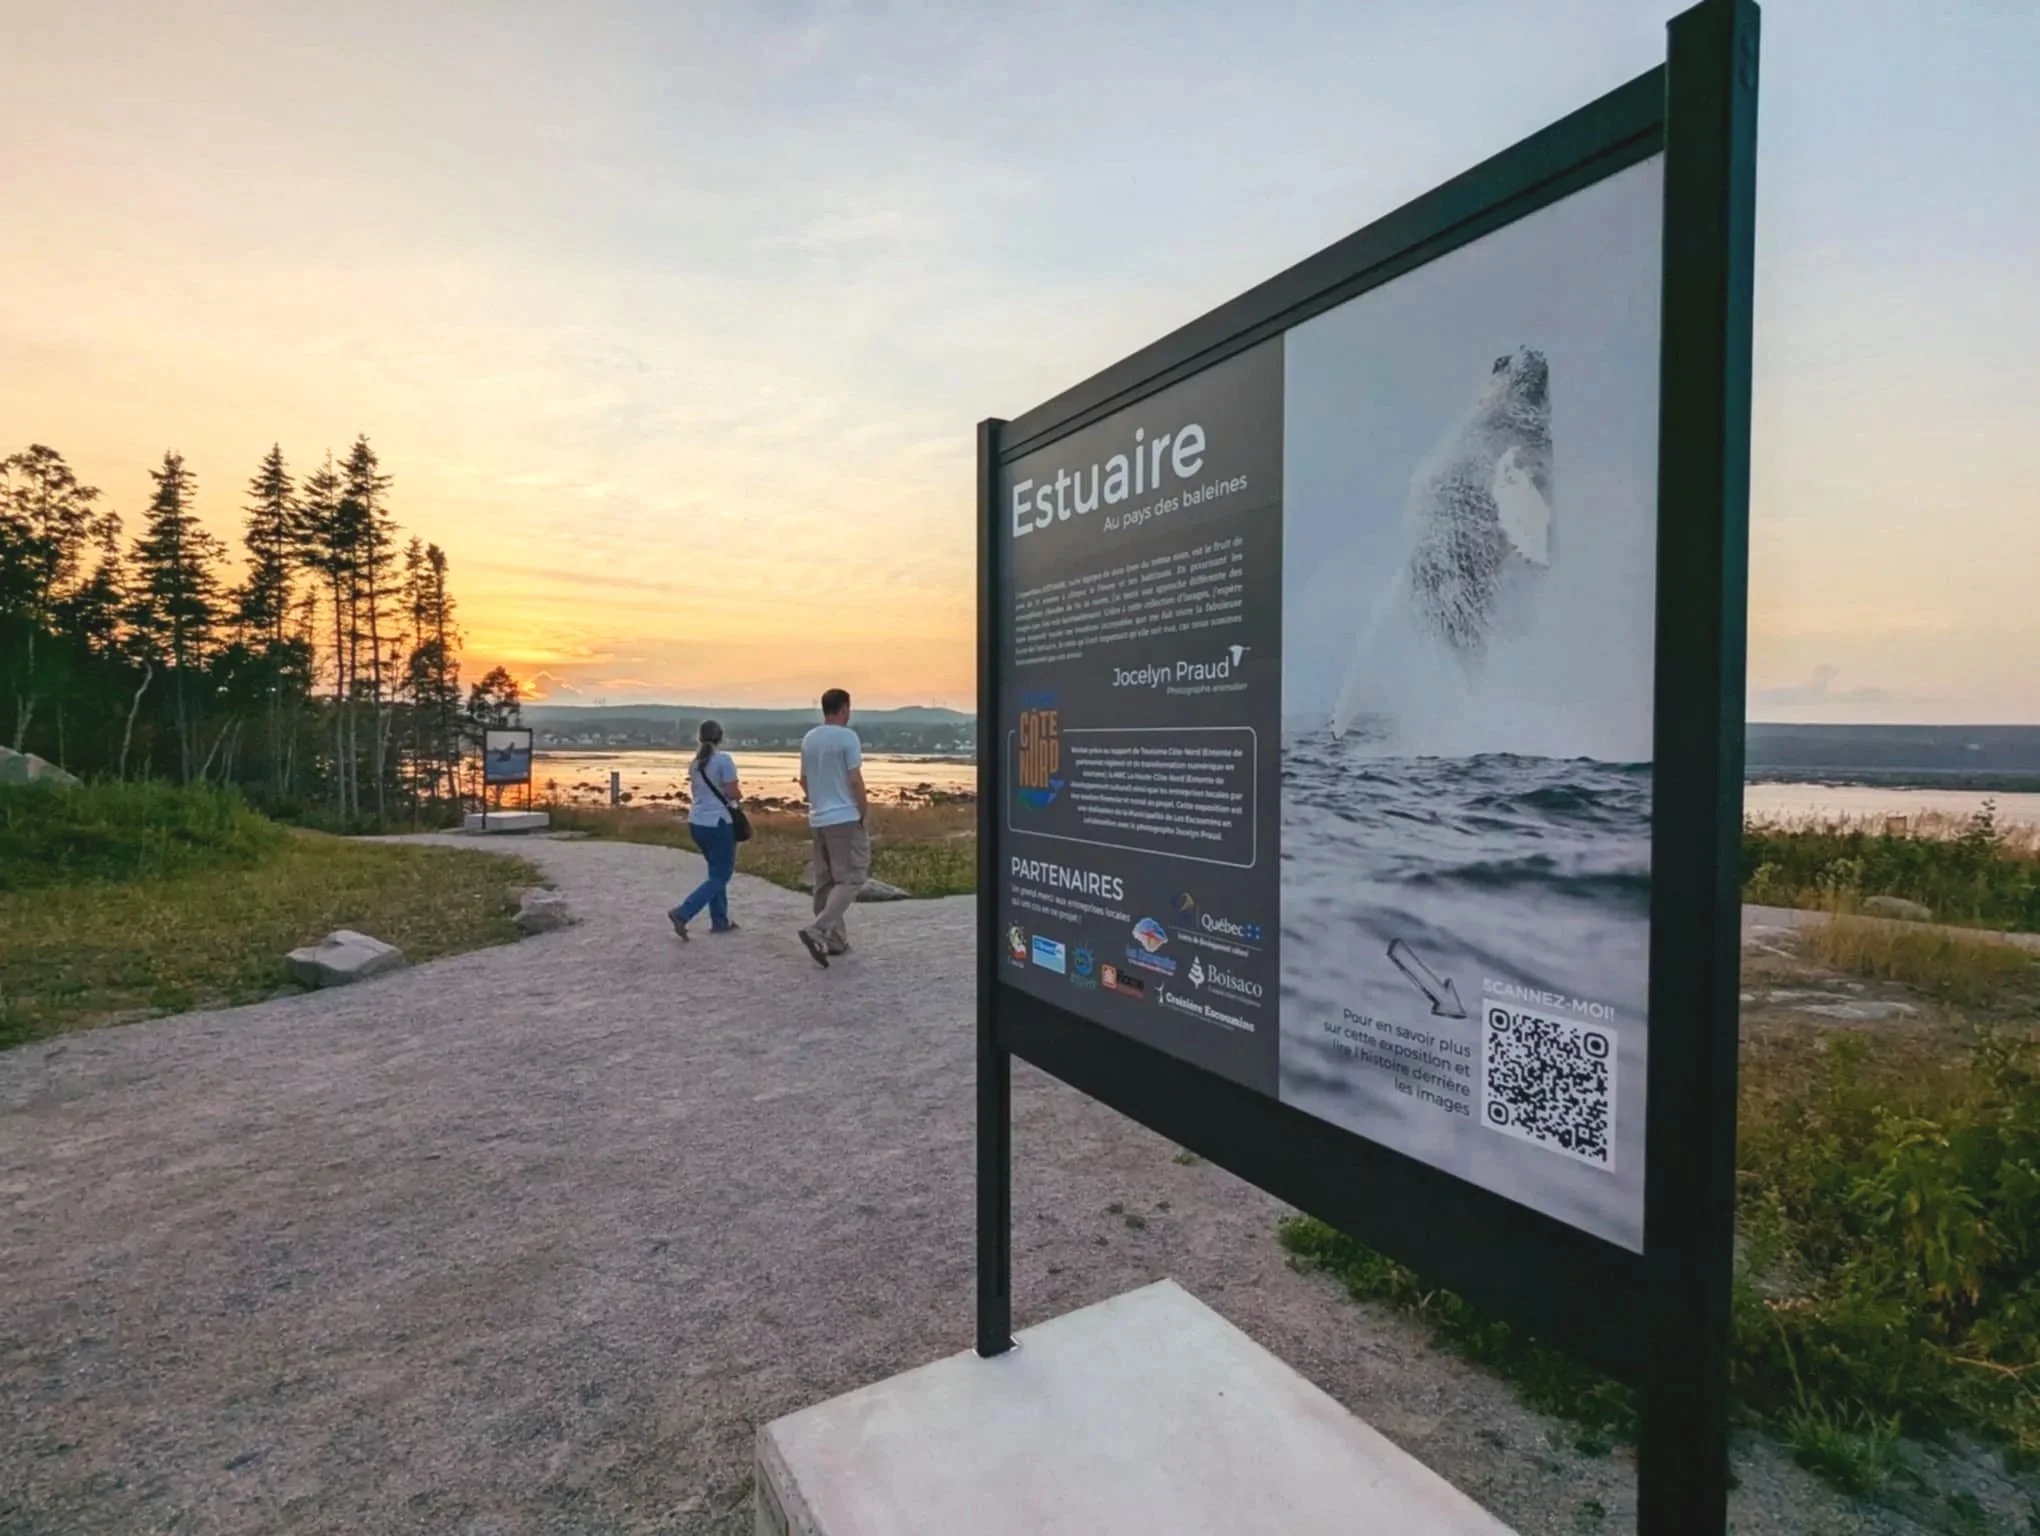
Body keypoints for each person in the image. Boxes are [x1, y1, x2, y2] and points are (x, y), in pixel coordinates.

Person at [796, 687, 869, 967]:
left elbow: (803, 780)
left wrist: (818, 801)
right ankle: (819, 929)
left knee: (824, 881)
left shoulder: (809, 738)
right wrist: (862, 812)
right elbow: (854, 780)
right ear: (844, 707)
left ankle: (835, 941)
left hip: (818, 818)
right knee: (851, 878)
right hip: (844, 818)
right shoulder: (847, 738)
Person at [669, 719, 743, 940]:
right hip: (718, 823)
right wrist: (739, 795)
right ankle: (683, 912)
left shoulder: (695, 764)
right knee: (722, 875)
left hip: (697, 822)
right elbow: (732, 792)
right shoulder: (723, 760)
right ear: (721, 737)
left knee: (714, 873)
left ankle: (719, 921)